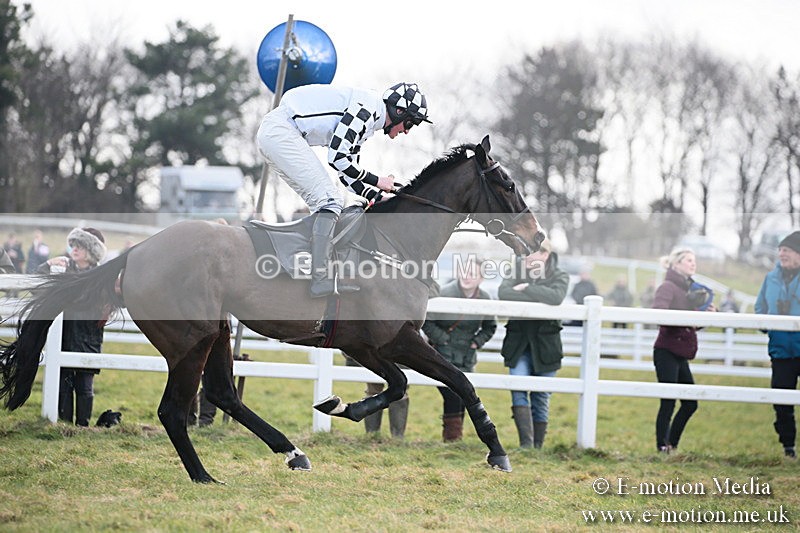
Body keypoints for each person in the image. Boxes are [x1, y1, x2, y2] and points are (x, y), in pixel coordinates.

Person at [256, 82, 431, 298]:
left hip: (278, 133)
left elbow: (346, 173)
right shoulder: (367, 109)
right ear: (398, 111)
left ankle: (306, 263)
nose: (406, 132)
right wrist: (378, 181)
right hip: (281, 131)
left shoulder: (368, 118)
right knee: (330, 201)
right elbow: (337, 158)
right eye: (410, 124)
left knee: (325, 201)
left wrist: (372, 196)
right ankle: (319, 277)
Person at [498, 238, 569, 448]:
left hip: (546, 347)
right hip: (518, 345)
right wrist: (538, 297)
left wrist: (527, 288)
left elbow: (556, 297)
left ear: (545, 255)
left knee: (541, 397)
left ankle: (537, 447)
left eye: (532, 253)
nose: (527, 257)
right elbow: (504, 293)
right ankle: (526, 445)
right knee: (518, 389)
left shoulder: (560, 275)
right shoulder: (514, 271)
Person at [422, 256, 497, 442]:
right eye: (464, 271)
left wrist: (477, 342)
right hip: (443, 354)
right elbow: (426, 321)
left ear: (481, 278)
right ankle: (452, 438)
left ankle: (455, 439)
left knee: (464, 394)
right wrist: (443, 339)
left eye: (472, 273)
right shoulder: (444, 293)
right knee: (453, 393)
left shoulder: (485, 298)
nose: (467, 276)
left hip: (466, 357)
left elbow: (490, 327)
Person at [38, 227, 107, 426]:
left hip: (88, 337)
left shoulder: (100, 275)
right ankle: (65, 424)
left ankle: (83, 426)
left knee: (85, 385)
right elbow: (36, 283)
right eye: (73, 245)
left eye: (80, 246)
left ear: (91, 251)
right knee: (63, 384)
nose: (74, 250)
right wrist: (48, 264)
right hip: (65, 336)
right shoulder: (62, 269)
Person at [651, 247, 716, 453]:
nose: (693, 263)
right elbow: (659, 314)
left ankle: (672, 444)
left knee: (690, 404)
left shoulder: (691, 290)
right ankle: (663, 446)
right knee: (668, 401)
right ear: (676, 264)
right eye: (688, 260)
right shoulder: (668, 287)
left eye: (694, 260)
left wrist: (705, 316)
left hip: (681, 353)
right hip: (666, 350)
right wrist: (689, 316)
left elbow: (690, 324)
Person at [755, 230, 800, 458]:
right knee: (782, 401)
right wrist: (768, 325)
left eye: (788, 250)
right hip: (780, 350)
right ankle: (788, 447)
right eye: (781, 250)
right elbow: (759, 308)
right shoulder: (770, 278)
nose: (782, 254)